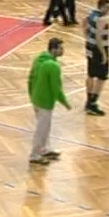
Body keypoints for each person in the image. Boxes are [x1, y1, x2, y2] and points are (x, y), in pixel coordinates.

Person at [28, 37, 72, 165]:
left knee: (45, 127)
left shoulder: (39, 59)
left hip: (36, 98)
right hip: (45, 101)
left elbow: (30, 77)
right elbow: (56, 88)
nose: (63, 51)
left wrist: (31, 94)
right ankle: (35, 155)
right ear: (54, 50)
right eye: (61, 48)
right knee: (42, 129)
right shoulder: (53, 66)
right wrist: (65, 103)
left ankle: (44, 148)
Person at [83, 0, 109, 116]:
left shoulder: (92, 13)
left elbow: (84, 23)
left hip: (89, 46)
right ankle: (92, 104)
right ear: (101, 6)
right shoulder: (103, 18)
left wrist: (86, 36)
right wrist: (103, 54)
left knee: (91, 74)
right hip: (98, 48)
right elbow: (99, 37)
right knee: (102, 77)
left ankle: (88, 101)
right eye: (107, 7)